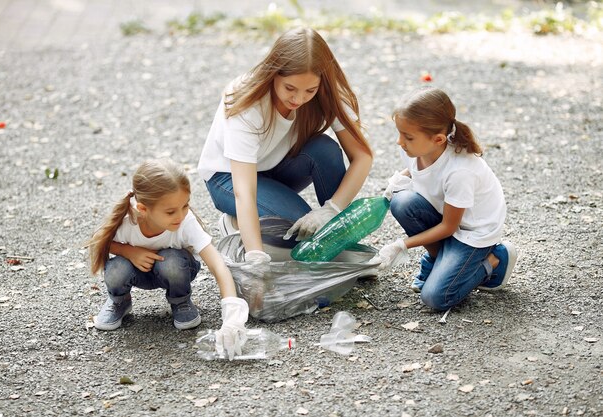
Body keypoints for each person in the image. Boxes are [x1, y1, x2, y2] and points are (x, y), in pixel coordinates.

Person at [197, 27, 373, 270]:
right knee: (299, 226)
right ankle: (236, 224)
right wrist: (255, 256)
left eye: (309, 91)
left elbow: (362, 156)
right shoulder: (247, 100)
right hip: (228, 179)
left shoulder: (327, 92)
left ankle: (339, 245)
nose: (298, 99)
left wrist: (331, 211)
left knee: (325, 149)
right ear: (273, 74)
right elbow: (244, 191)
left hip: (277, 166)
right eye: (290, 88)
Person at [371, 87, 517, 311]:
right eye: (399, 133)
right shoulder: (415, 148)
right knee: (402, 202)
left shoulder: (460, 172)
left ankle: (495, 259)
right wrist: (398, 181)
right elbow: (415, 168)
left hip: (473, 233)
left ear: (438, 139)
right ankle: (438, 259)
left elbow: (449, 227)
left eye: (407, 137)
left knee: (435, 298)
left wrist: (401, 245)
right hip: (446, 215)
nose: (400, 141)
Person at [87, 159, 248, 359]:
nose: (180, 215)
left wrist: (232, 314)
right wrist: (129, 252)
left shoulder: (185, 222)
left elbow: (217, 264)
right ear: (143, 209)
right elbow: (98, 241)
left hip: (175, 270)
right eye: (171, 211)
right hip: (136, 271)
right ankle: (120, 301)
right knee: (116, 268)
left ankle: (180, 301)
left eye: (185, 206)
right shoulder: (128, 219)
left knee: (171, 260)